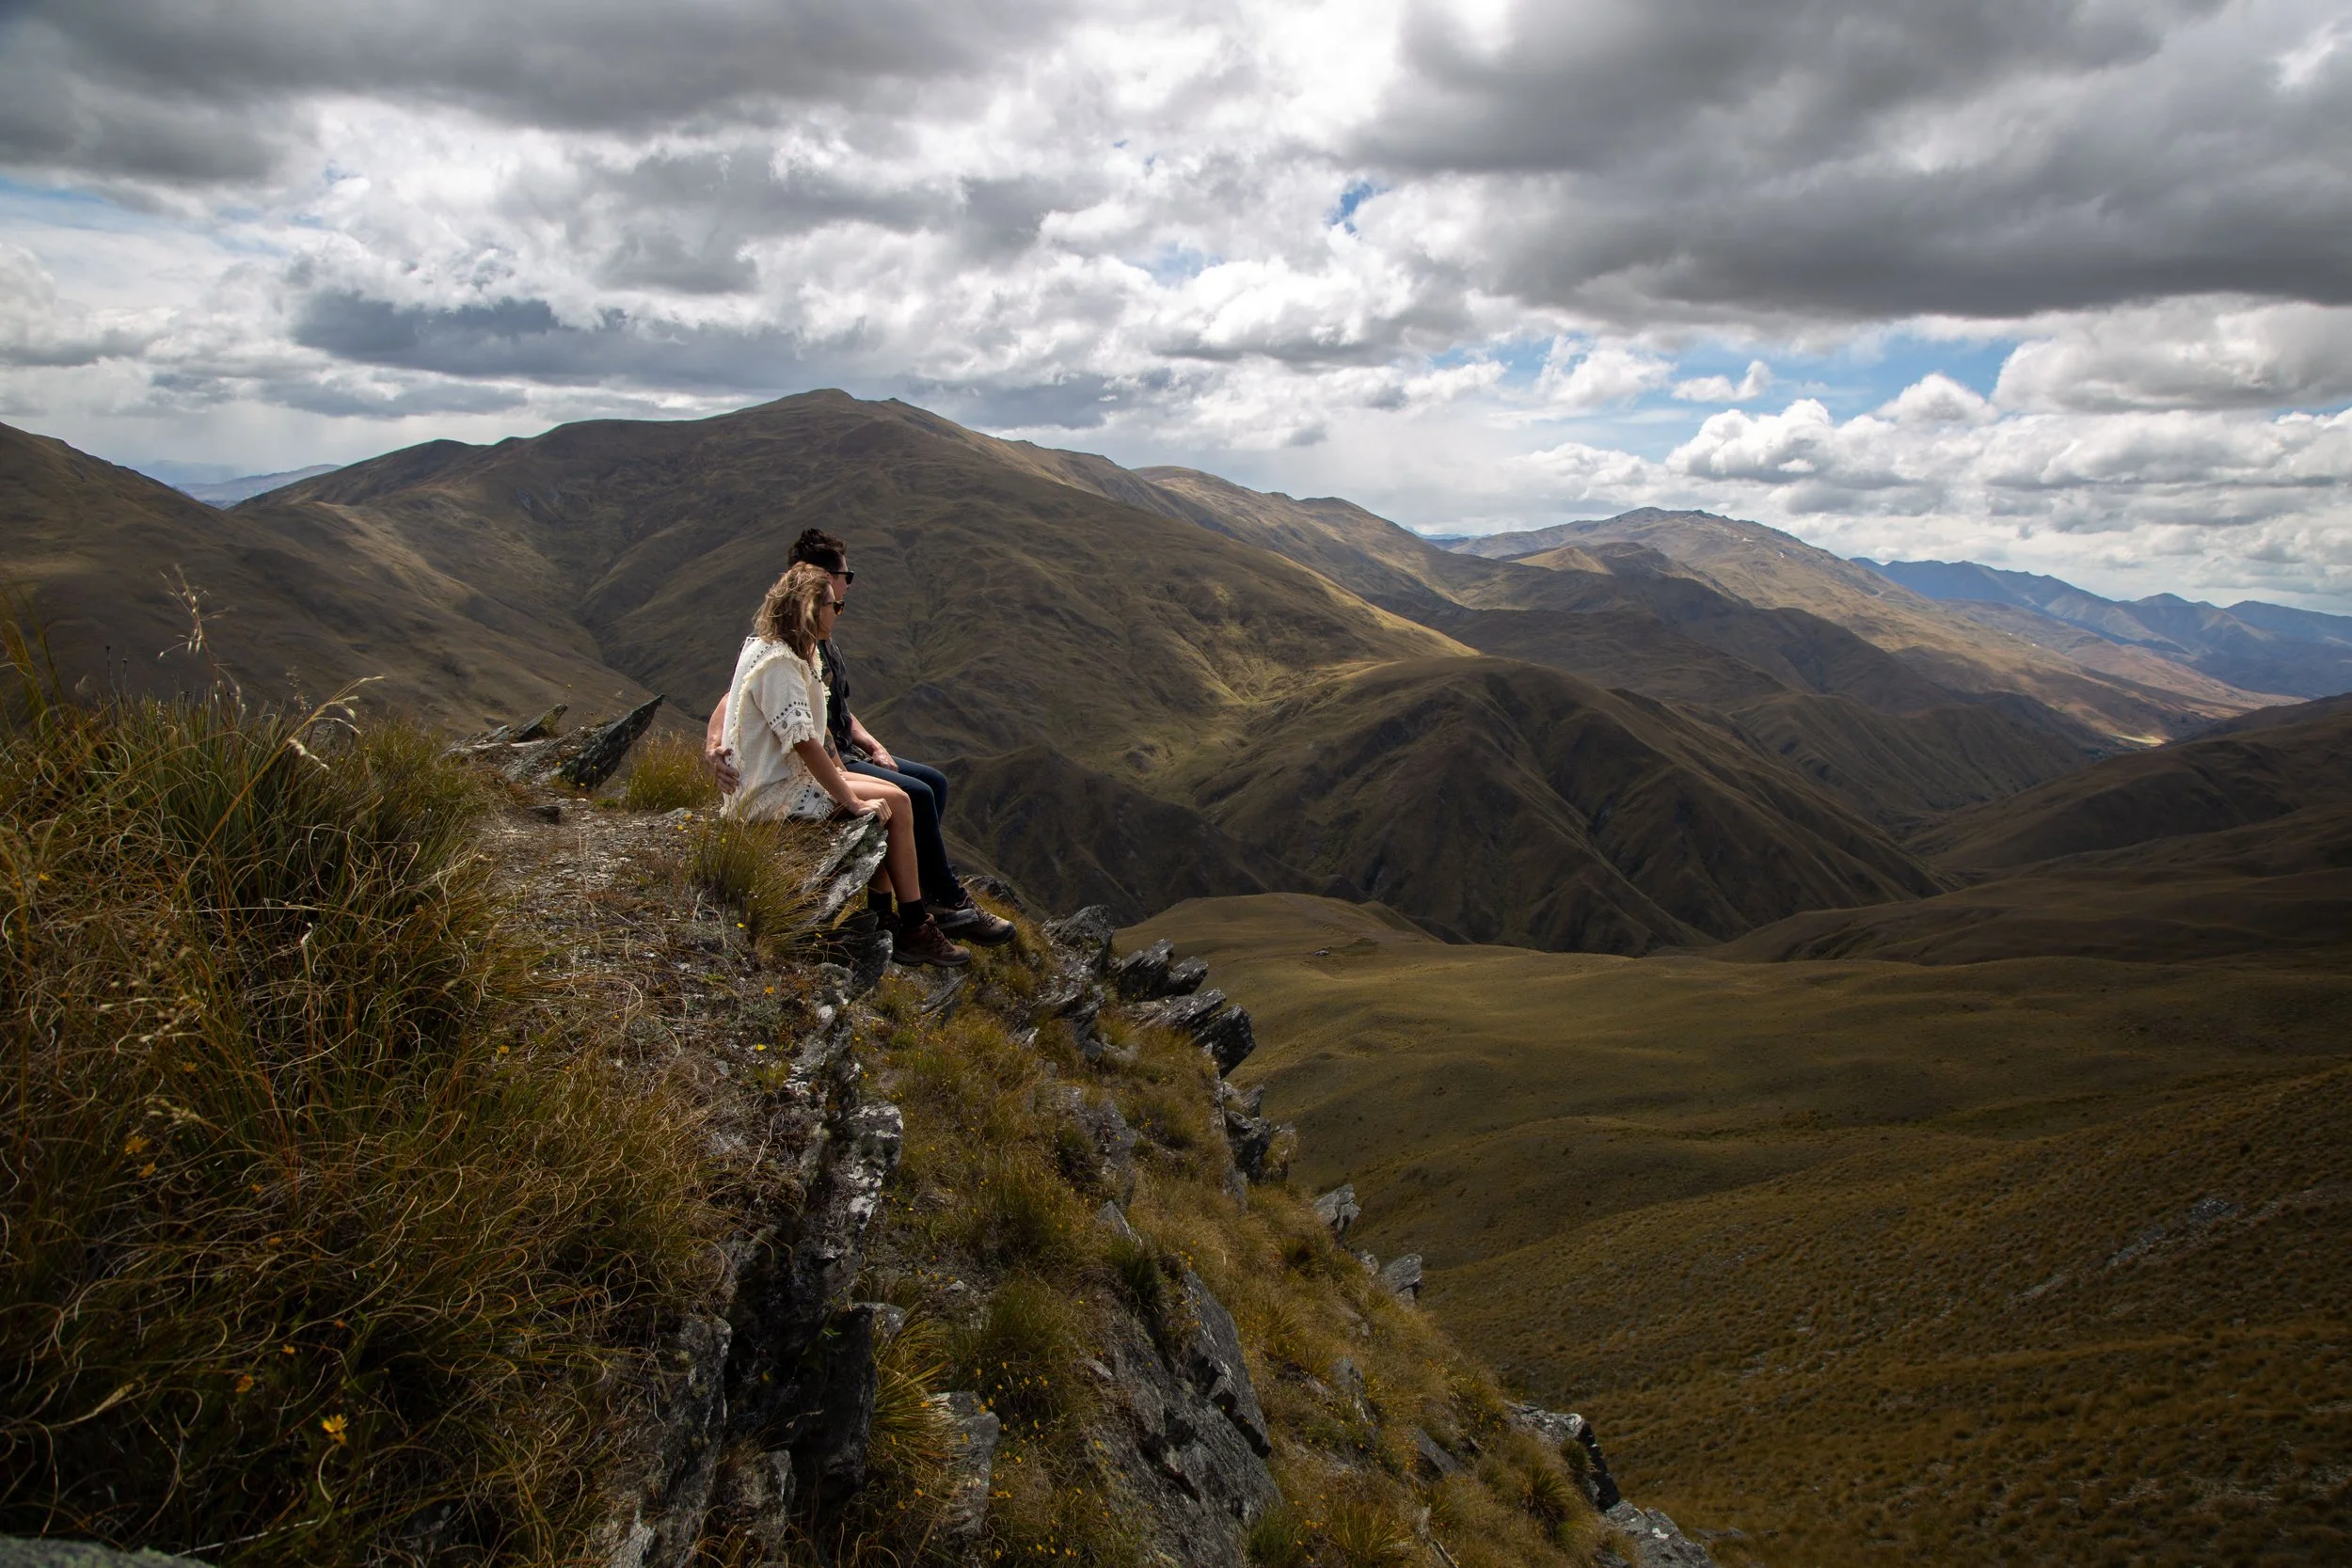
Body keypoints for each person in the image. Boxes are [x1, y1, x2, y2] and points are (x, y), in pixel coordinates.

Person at [707, 528, 1014, 947]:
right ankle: (928, 908)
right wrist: (848, 796)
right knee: (910, 797)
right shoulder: (780, 658)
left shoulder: (807, 647)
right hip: (781, 783)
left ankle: (900, 910)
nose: (844, 604)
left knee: (926, 788)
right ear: (814, 597)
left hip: (814, 765)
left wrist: (870, 745)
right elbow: (786, 728)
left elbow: (830, 717)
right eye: (841, 594)